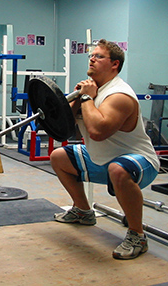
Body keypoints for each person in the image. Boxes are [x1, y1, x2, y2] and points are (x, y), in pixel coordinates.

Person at [50, 39, 159, 260]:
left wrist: (88, 97)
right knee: (59, 156)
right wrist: (76, 100)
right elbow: (66, 128)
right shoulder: (90, 89)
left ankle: (137, 235)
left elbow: (98, 132)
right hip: (102, 159)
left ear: (114, 64)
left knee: (118, 170)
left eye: (99, 56)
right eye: (91, 55)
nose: (92, 58)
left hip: (140, 161)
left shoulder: (119, 95)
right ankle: (83, 211)